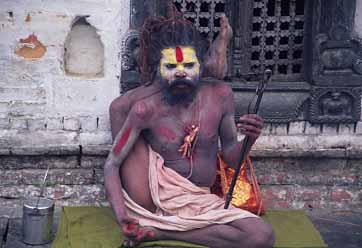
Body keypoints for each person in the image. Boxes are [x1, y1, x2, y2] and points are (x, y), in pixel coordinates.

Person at [104, 9, 275, 248]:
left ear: (201, 66)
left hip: (200, 200)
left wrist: (250, 138)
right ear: (158, 70)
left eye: (189, 65)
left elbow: (232, 160)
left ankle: (161, 232)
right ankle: (155, 221)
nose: (181, 72)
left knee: (262, 236)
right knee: (122, 109)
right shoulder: (144, 109)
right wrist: (122, 215)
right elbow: (112, 164)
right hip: (154, 200)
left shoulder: (221, 96)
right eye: (170, 66)